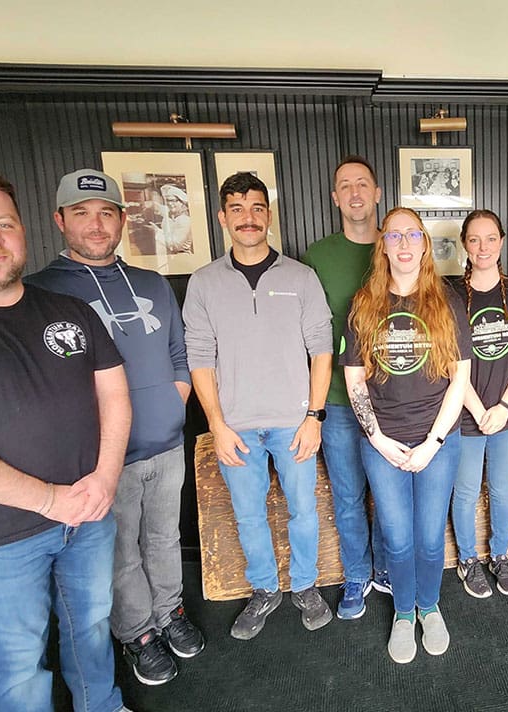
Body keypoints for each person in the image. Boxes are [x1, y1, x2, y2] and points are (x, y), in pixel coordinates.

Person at [0, 170, 131, 712]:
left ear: (24, 232)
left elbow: (114, 399)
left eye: (4, 223)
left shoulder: (70, 312)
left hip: (88, 515)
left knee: (92, 630)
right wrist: (49, 500)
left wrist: (104, 479)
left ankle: (99, 706)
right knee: (17, 665)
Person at [26, 168, 205, 686]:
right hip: (105, 456)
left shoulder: (151, 283)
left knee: (165, 538)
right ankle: (139, 633)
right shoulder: (40, 292)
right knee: (121, 551)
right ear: (60, 221)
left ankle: (170, 613)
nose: (96, 225)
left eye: (106, 212)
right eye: (81, 214)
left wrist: (176, 398)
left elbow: (179, 350)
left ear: (123, 220)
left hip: (167, 442)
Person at [183, 171, 334, 639]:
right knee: (248, 516)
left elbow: (322, 351)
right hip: (236, 428)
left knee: (303, 512)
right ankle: (265, 589)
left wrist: (314, 417)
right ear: (223, 217)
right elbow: (200, 358)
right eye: (237, 208)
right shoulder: (204, 282)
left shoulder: (302, 277)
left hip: (294, 423)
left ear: (269, 214)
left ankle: (305, 586)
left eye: (256, 208)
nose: (248, 218)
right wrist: (216, 425)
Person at [341, 206, 471, 664]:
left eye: (412, 234)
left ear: (424, 244)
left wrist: (434, 442)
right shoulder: (364, 303)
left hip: (439, 438)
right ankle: (402, 613)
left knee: (431, 536)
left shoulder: (448, 301)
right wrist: (376, 438)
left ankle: (430, 607)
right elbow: (355, 379)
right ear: (383, 246)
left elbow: (460, 378)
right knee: (397, 537)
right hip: (382, 441)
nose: (403, 244)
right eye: (393, 236)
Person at [301, 155, 390, 620]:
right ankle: (357, 574)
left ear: (378, 193)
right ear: (335, 198)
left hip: (395, 400)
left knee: (392, 489)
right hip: (336, 401)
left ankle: (388, 569)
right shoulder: (317, 256)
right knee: (349, 493)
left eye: (363, 184)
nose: (355, 193)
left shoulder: (396, 247)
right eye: (345, 186)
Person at [448, 209, 508, 598]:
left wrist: (503, 406)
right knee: (467, 491)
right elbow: (447, 361)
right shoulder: (448, 292)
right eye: (474, 239)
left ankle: (500, 556)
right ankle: (468, 560)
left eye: (490, 238)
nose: (483, 247)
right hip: (464, 414)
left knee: (503, 489)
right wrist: (475, 408)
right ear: (464, 244)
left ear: (502, 242)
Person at [155, 183, 193, 254]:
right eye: (167, 201)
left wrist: (156, 232)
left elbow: (175, 245)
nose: (169, 204)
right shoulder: (170, 217)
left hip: (182, 258)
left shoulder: (184, 220)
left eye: (172, 200)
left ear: (182, 202)